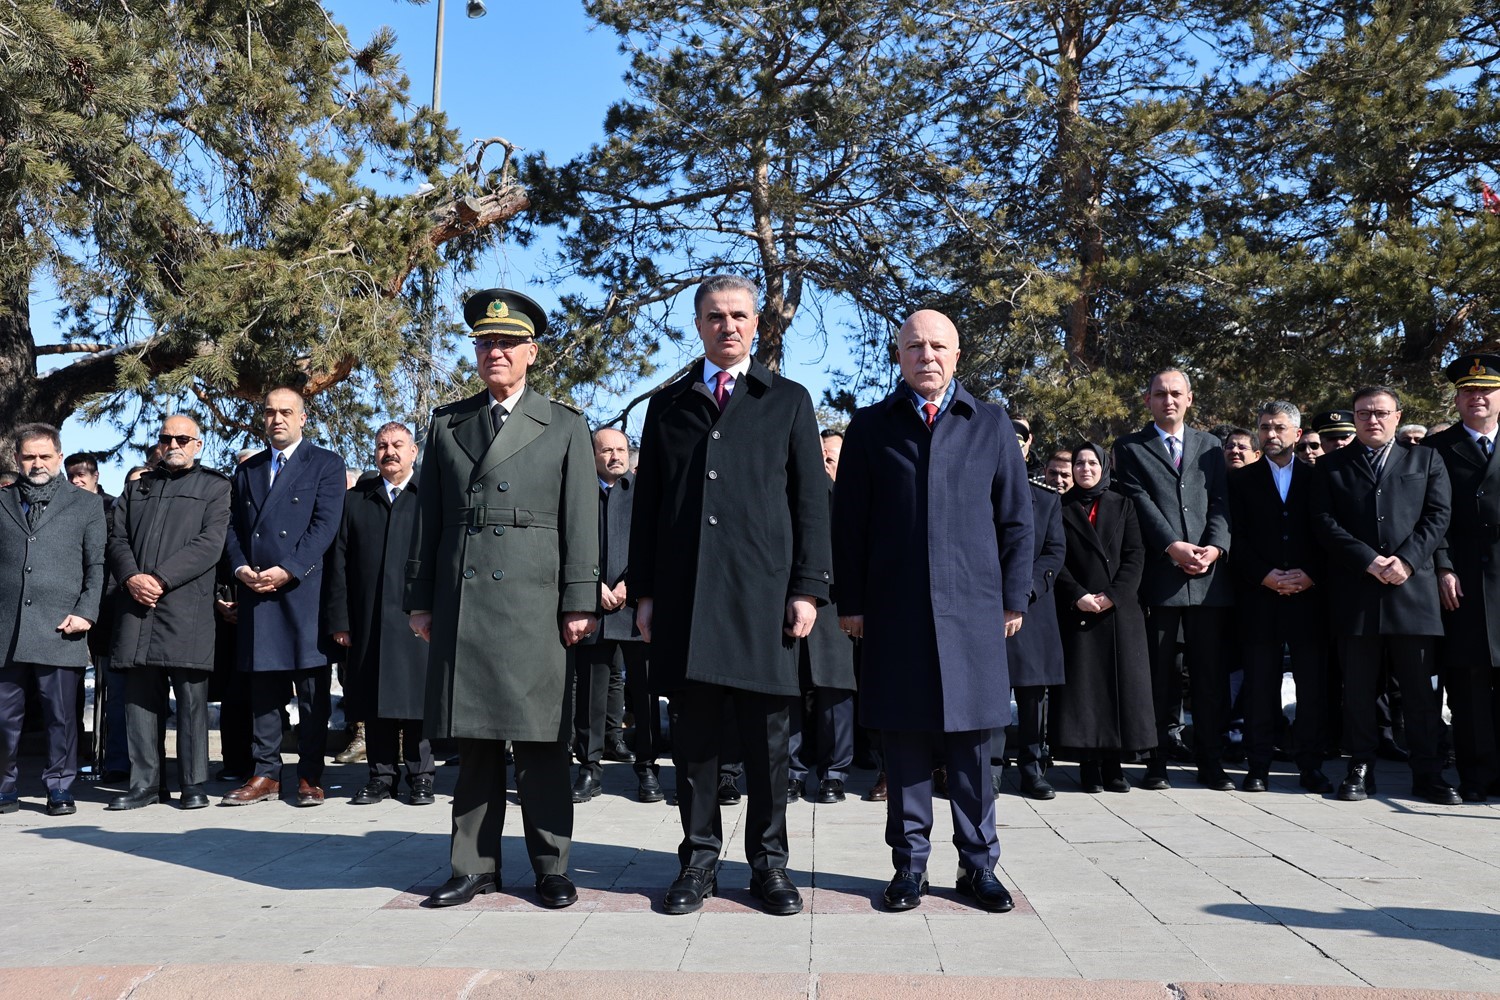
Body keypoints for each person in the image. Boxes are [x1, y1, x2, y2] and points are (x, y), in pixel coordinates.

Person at [630, 274, 830, 917]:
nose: (729, 326)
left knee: (769, 746)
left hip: (764, 600)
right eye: (715, 316)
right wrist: (647, 592)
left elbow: (809, 505)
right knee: (695, 744)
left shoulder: (789, 401)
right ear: (698, 324)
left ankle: (769, 867)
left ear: (756, 325)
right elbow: (649, 510)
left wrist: (807, 589)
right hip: (689, 602)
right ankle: (698, 862)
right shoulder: (667, 407)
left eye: (739, 315)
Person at [833, 308, 1032, 914]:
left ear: (957, 355)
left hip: (974, 613)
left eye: (937, 346)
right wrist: (854, 603)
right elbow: (850, 526)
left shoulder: (990, 423)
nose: (927, 356)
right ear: (899, 355)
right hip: (895, 613)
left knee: (974, 750)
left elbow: (1017, 521)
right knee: (906, 748)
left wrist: (1011, 600)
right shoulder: (871, 427)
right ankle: (909, 868)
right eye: (915, 346)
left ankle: (979, 867)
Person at [406, 288, 599, 909]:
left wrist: (578, 600)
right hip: (465, 605)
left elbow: (581, 521)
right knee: (476, 739)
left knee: (541, 739)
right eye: (486, 342)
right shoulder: (446, 422)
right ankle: (473, 865)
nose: (496, 352)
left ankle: (551, 865)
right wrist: (419, 599)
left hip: (535, 601)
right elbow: (427, 522)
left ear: (531, 354)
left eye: (508, 344)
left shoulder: (564, 423)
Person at [1311, 385, 1460, 805]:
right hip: (1356, 593)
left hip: (1412, 593)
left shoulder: (1426, 458)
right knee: (1358, 691)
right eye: (1363, 413)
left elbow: (1438, 515)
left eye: (1380, 412)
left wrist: (1407, 561)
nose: (1371, 420)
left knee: (1419, 692)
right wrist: (1367, 561)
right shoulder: (1332, 465)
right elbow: (1323, 520)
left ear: (1397, 416)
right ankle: (1360, 767)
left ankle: (1428, 772)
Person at [221, 387, 346, 807]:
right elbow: (232, 529)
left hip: (303, 591)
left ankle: (310, 773)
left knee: (312, 696)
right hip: (256, 590)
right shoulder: (248, 469)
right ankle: (266, 774)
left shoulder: (325, 463)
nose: (277, 419)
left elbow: (324, 527)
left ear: (303, 418)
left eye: (286, 412)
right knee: (264, 693)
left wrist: (288, 569)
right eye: (271, 412)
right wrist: (240, 569)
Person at [1112, 370, 1234, 791]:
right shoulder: (1129, 447)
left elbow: (1221, 502)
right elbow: (1138, 501)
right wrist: (1172, 546)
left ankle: (1212, 762)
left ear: (1190, 398)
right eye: (1160, 394)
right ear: (1147, 399)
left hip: (1208, 579)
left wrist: (1215, 547)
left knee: (1209, 677)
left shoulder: (1211, 447)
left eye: (1176, 394)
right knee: (1159, 676)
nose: (1169, 400)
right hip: (1161, 578)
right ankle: (1156, 762)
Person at [103, 416, 230, 811]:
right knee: (139, 699)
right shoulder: (138, 487)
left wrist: (157, 579)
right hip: (136, 607)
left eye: (181, 438)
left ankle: (194, 785)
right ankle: (145, 784)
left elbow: (210, 543)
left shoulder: (215, 486)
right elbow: (116, 537)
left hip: (184, 607)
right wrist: (131, 577)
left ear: (198, 444)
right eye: (165, 437)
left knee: (192, 701)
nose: (172, 443)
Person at [0, 423, 107, 816]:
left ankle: (60, 787)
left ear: (59, 457)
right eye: (29, 456)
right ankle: (4, 786)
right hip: (4, 628)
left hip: (61, 626)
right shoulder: (2, 500)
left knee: (62, 717)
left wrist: (86, 613)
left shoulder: (86, 505)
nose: (37, 463)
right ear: (17, 459)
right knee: (2, 718)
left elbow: (96, 566)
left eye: (45, 456)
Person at [325, 422, 433, 806]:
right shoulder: (356, 501)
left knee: (418, 702)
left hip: (418, 618)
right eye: (383, 445)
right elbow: (337, 562)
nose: (390, 451)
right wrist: (340, 620)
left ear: (414, 451)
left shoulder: (430, 497)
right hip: (366, 617)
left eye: (398, 445)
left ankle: (421, 776)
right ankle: (381, 777)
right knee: (373, 701)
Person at [1227, 402, 1331, 794]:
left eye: (1280, 427)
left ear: (1298, 434)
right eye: (1265, 427)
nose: (1272, 434)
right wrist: (1264, 576)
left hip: (1309, 598)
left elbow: (1330, 532)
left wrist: (1311, 575)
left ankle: (1311, 765)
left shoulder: (1320, 477)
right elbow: (1235, 535)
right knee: (1260, 685)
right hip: (1261, 597)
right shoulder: (1241, 481)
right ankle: (1258, 766)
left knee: (1311, 686)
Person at [1050, 442, 1154, 792]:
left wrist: (1113, 596)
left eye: (1092, 462)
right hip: (1078, 610)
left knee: (1118, 689)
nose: (1085, 469)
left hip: (1118, 613)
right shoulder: (1059, 507)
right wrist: (1077, 594)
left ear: (1104, 466)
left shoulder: (1123, 504)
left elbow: (1135, 556)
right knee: (1086, 691)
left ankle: (1114, 765)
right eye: (1079, 462)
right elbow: (1055, 557)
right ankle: (1088, 765)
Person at [570, 427, 661, 805]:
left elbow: (655, 544)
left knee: (645, 693)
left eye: (621, 449)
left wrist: (634, 587)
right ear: (592, 455)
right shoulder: (577, 493)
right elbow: (568, 543)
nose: (615, 457)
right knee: (591, 693)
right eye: (606, 450)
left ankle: (648, 767)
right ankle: (590, 768)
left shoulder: (643, 492)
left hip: (635, 607)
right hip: (593, 607)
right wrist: (591, 588)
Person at [1425, 355, 1500, 801]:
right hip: (1463, 581)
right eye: (1469, 391)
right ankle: (1476, 775)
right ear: (1457, 398)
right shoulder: (1436, 449)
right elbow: (1432, 518)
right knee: (1468, 683)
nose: (1478, 398)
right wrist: (1443, 566)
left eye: (1487, 390)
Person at [995, 422, 1066, 800]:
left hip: (1031, 608)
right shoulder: (977, 489)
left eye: (1019, 441)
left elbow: (1053, 552)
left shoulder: (1048, 498)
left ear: (1028, 447)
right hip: (983, 606)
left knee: (1032, 694)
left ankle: (1031, 768)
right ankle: (988, 767)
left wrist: (1022, 592)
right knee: (985, 690)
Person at [788, 431, 857, 805]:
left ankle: (834, 773)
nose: (825, 461)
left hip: (835, 606)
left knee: (836, 693)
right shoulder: (790, 492)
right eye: (820, 455)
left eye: (832, 456)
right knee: (790, 692)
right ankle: (792, 773)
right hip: (791, 601)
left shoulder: (851, 498)